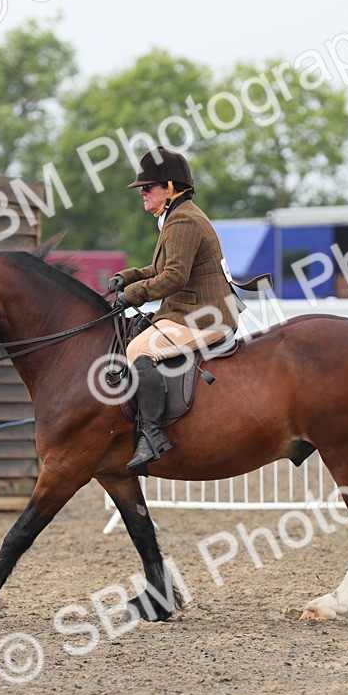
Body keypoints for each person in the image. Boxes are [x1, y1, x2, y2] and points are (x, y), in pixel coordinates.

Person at [108, 147, 240, 471]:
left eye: (148, 187)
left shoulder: (183, 219)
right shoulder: (174, 216)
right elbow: (159, 269)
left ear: (169, 187)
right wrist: (126, 278)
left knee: (140, 350)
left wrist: (133, 295)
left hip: (206, 316)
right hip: (188, 310)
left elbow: (174, 277)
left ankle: (152, 434)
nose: (142, 193)